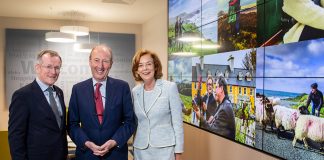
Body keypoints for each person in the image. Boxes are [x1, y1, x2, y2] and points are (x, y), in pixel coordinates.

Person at [68, 45, 135, 160]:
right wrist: (86, 143)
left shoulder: (122, 87)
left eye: (105, 61)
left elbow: (130, 122)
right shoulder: (78, 89)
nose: (100, 66)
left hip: (116, 155)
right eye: (96, 60)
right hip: (87, 155)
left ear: (111, 64)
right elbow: (72, 125)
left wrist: (114, 142)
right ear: (89, 62)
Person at [8, 50, 67, 160]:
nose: (53, 72)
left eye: (57, 67)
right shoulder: (22, 95)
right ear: (38, 68)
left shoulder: (59, 92)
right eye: (48, 67)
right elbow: (16, 137)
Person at [131, 50, 184, 160]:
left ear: (155, 66)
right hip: (141, 150)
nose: (145, 68)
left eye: (148, 64)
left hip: (165, 150)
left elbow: (177, 123)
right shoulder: (135, 92)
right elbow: (136, 123)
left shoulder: (170, 88)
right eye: (140, 65)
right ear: (137, 70)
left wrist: (178, 152)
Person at [194, 76, 235, 140]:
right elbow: (212, 119)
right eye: (208, 84)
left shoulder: (225, 108)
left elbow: (213, 130)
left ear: (221, 89)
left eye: (216, 87)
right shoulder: (221, 105)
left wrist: (201, 116)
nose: (214, 90)